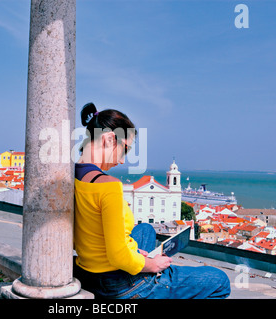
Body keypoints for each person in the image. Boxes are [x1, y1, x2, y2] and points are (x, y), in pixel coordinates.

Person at [73, 102, 231, 299]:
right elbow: (118, 256)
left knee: (146, 230)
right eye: (125, 149)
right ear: (108, 140)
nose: (122, 160)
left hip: (87, 270)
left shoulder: (72, 175)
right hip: (119, 284)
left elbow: (88, 231)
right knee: (220, 281)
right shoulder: (108, 185)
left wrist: (134, 250)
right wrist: (152, 265)